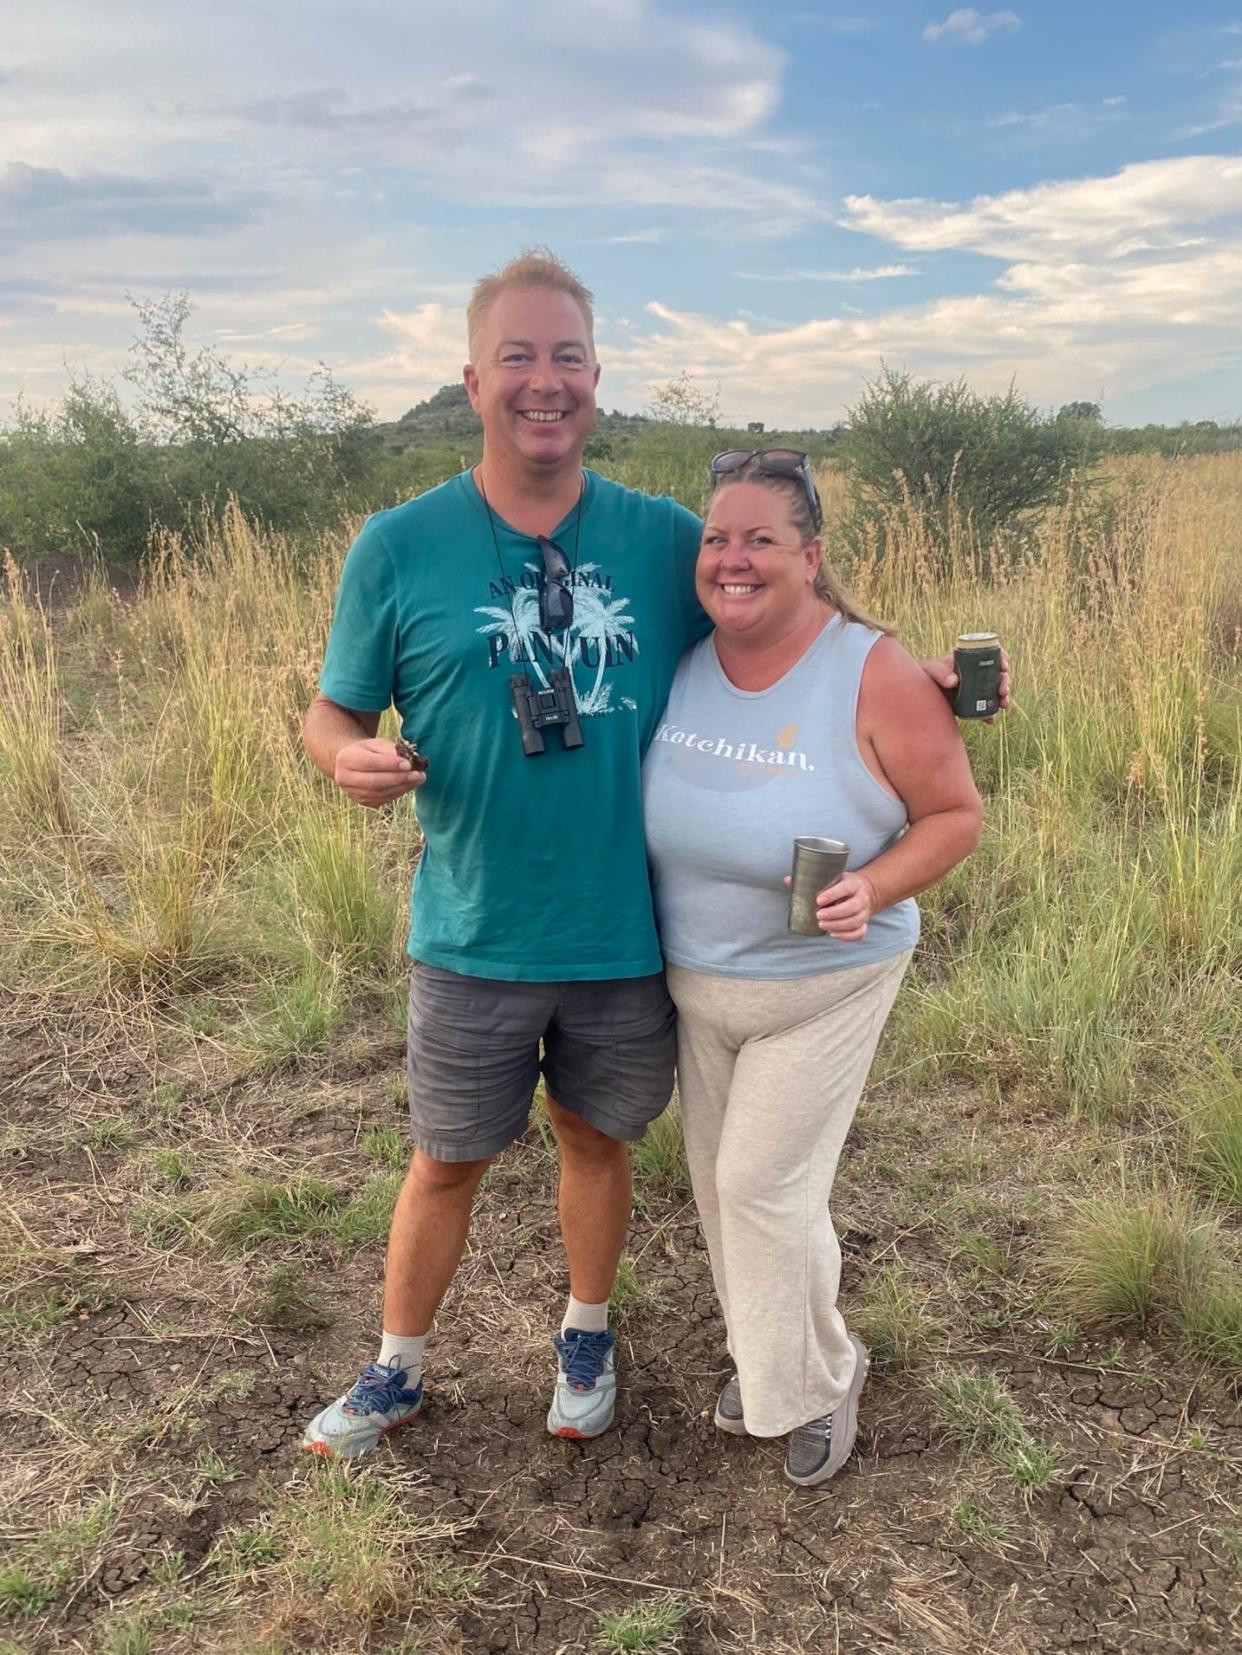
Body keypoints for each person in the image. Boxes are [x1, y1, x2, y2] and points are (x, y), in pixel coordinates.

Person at [299, 249, 1004, 1460]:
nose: (544, 380)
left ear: (596, 378)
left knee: (594, 1139)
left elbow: (777, 595)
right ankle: (394, 1366)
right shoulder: (398, 545)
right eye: (517, 356)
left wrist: (909, 675)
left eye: (567, 356)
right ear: (472, 379)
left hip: (631, 933)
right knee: (447, 1157)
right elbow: (335, 712)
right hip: (469, 921)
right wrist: (340, 757)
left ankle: (587, 1337)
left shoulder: (659, 535)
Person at [642, 450, 983, 1487]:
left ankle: (822, 1372)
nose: (733, 559)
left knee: (761, 1183)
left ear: (812, 555)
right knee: (724, 1189)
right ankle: (771, 1350)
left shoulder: (873, 667)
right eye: (717, 537)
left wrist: (874, 886)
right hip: (699, 982)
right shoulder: (685, 653)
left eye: (761, 539)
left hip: (824, 982)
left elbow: (956, 815)